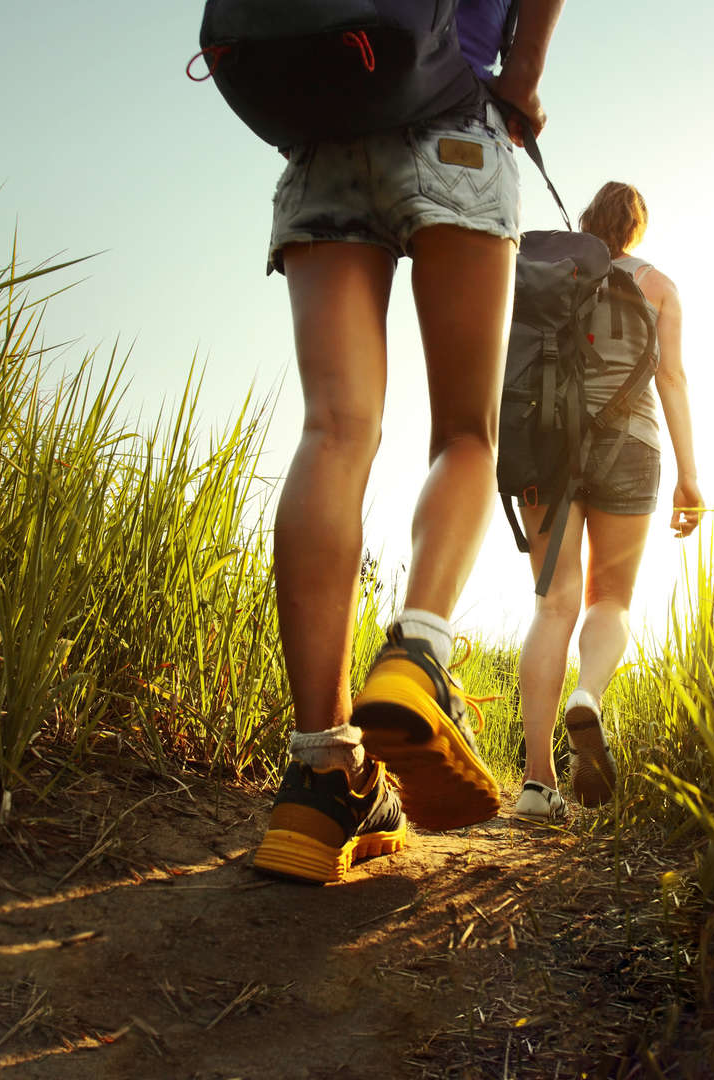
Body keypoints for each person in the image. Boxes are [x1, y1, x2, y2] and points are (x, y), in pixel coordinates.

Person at [252, 0, 566, 884]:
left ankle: (322, 773)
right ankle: (417, 655)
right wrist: (524, 85)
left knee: (333, 430)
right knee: (466, 431)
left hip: (325, 133)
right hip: (455, 117)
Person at [513, 182, 703, 823]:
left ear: (589, 223)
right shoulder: (660, 286)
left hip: (547, 444)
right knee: (610, 599)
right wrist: (689, 477)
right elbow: (671, 379)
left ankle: (537, 786)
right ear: (637, 229)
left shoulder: (552, 274)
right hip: (633, 444)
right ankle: (587, 693)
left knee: (553, 603)